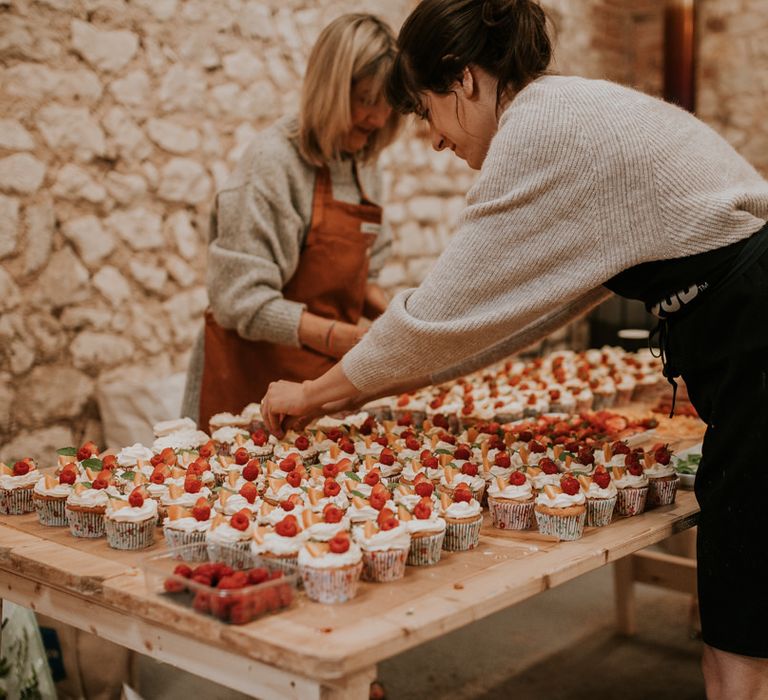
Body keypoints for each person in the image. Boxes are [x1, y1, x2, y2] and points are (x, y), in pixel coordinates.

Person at [260, 1, 768, 697]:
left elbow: (442, 315)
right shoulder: (562, 109)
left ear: (464, 80)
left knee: (738, 625)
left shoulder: (534, 132)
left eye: (427, 111)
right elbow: (510, 318)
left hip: (754, 332)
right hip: (747, 322)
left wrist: (315, 395)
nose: (435, 139)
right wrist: (381, 380)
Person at [181, 13, 401, 430]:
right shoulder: (272, 163)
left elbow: (361, 277)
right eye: (366, 100)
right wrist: (348, 338)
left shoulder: (363, 163)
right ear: (330, 90)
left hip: (313, 383)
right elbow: (241, 301)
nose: (377, 119)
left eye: (387, 104)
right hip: (247, 380)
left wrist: (398, 324)